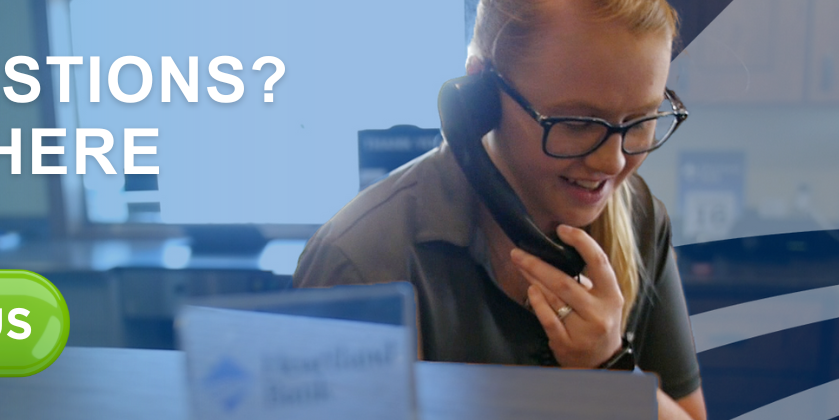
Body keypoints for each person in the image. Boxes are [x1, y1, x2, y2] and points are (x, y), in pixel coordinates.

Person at [294, 0, 705, 418]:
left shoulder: (640, 219)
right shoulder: (362, 261)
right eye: (577, 122)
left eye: (641, 120)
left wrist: (610, 367)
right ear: (482, 93)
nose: (612, 163)